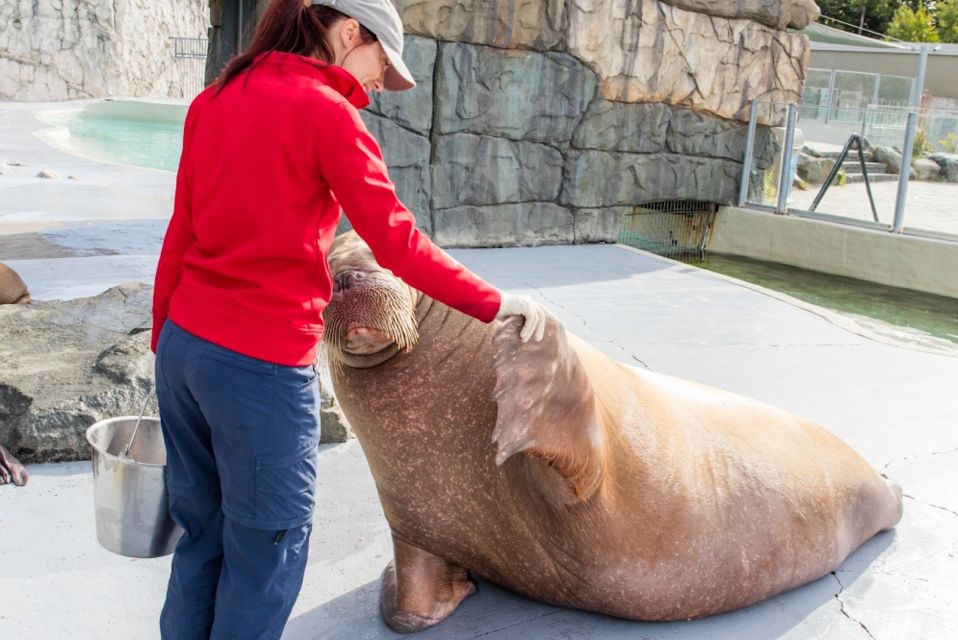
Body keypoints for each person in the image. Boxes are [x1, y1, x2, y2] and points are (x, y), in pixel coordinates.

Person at [150, 0, 546, 637]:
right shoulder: (326, 115)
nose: (376, 85)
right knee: (267, 549)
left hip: (185, 352)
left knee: (204, 533)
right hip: (259, 368)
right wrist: (496, 303)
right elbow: (396, 242)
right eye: (378, 65)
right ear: (348, 31)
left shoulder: (213, 100)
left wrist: (161, 336)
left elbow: (181, 231)